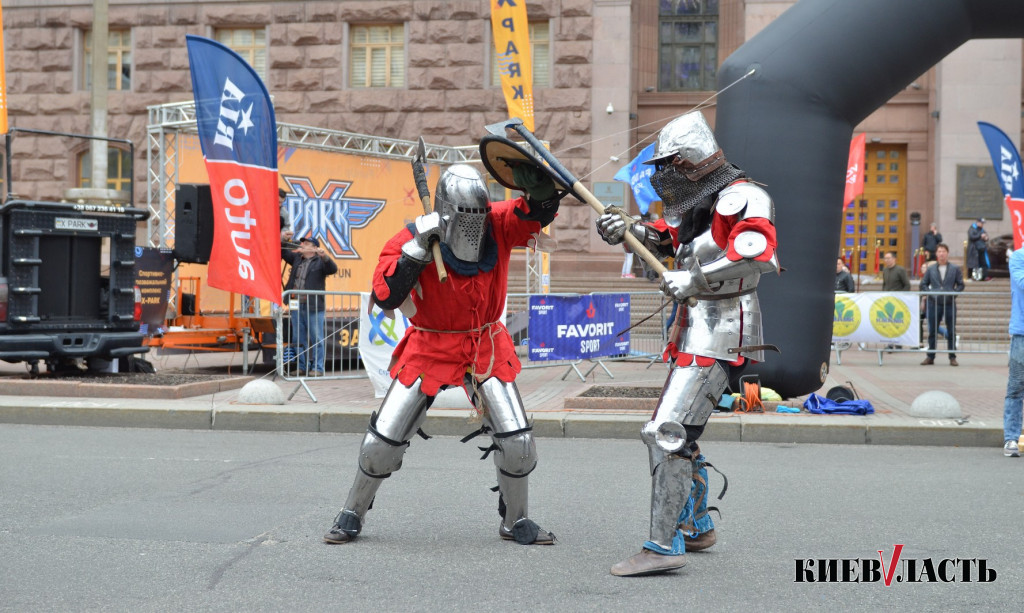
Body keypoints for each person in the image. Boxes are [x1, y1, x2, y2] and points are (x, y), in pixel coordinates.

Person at [322, 162, 562, 546]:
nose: (474, 223)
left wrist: (542, 191)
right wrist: (416, 250)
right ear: (447, 213)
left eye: (479, 214)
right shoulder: (410, 236)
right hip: (430, 344)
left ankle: (515, 519)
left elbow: (535, 212)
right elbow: (386, 294)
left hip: (484, 342)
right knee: (382, 442)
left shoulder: (496, 224)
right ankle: (352, 511)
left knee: (517, 441)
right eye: (465, 216)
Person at [595, 111, 779, 576]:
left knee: (666, 432)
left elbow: (757, 253)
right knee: (682, 434)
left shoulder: (743, 196)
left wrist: (695, 277)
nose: (662, 175)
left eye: (669, 164)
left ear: (691, 163)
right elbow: (667, 241)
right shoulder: (698, 203)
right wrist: (627, 230)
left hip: (724, 328)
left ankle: (663, 546)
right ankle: (695, 526)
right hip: (695, 324)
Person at [282, 237, 337, 377]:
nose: (302, 245)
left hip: (314, 306)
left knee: (316, 337)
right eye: (302, 243)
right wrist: (285, 239)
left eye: (306, 244)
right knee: (298, 338)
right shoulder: (297, 259)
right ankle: (302, 367)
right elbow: (282, 251)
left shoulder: (320, 261)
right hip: (296, 304)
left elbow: (332, 269)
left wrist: (324, 256)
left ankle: (318, 368)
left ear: (314, 247)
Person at [918, 243, 964, 366]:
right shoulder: (931, 269)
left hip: (949, 303)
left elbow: (961, 284)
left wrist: (953, 294)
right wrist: (930, 294)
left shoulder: (954, 269)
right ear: (936, 254)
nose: (941, 254)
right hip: (934, 303)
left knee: (951, 330)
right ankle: (930, 356)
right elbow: (923, 284)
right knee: (932, 330)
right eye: (939, 251)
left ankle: (952, 356)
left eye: (943, 251)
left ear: (947, 253)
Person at [1003, 248, 1024, 457]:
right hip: (1022, 333)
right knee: (1016, 388)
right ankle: (1011, 438)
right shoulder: (1018, 257)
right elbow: (1022, 283)